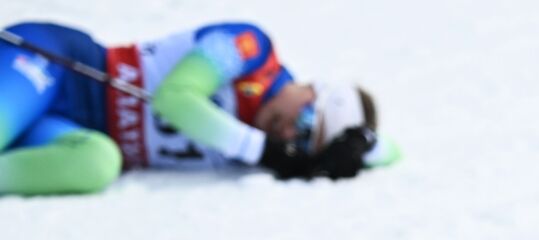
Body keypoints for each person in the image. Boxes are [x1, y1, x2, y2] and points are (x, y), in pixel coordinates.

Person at [0, 21, 397, 196]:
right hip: (57, 66)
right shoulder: (251, 48)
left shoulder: (261, 139)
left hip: (73, 129)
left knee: (98, 164)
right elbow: (176, 98)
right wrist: (260, 151)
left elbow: (392, 151)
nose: (290, 133)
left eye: (306, 141)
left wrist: (363, 146)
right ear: (312, 88)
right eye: (307, 119)